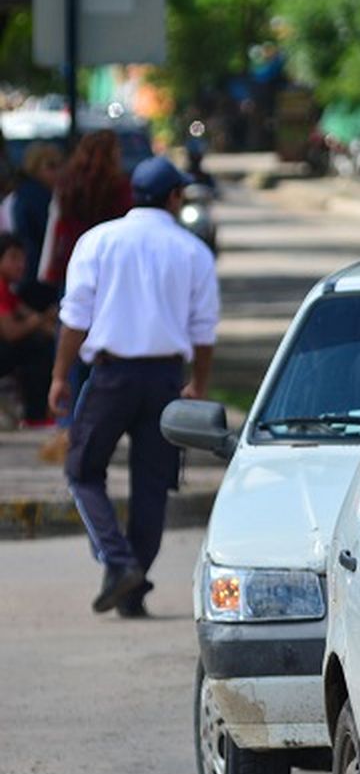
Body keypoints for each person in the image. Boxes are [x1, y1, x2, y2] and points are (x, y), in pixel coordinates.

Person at [49, 156, 220, 618]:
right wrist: (197, 385)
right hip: (165, 380)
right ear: (173, 198)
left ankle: (120, 564)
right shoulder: (193, 251)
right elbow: (204, 332)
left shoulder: (98, 241)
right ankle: (131, 584)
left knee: (82, 471)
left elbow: (74, 319)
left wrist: (60, 376)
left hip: (111, 375)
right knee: (152, 486)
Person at [39, 130, 134, 291]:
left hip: (73, 260)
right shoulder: (120, 188)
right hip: (109, 264)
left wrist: (49, 268)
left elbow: (56, 227)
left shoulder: (67, 185)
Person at [0, 235, 57, 426]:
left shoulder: (9, 290)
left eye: (22, 259)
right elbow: (11, 332)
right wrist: (39, 320)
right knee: (35, 347)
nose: (21, 265)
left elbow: (31, 315)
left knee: (42, 341)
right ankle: (35, 415)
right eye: (14, 258)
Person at [9, 142, 64, 286]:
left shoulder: (23, 193)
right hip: (35, 271)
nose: (58, 172)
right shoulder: (36, 197)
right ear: (34, 167)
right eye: (51, 166)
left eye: (60, 166)